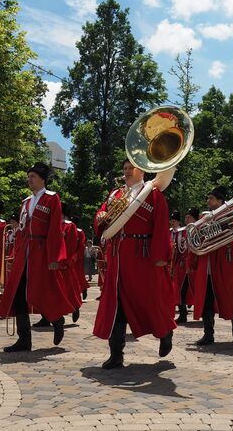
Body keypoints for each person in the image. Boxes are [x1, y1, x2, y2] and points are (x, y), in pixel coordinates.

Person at [93, 158, 175, 369]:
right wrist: (100, 217)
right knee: (115, 305)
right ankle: (116, 355)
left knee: (150, 301)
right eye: (125, 168)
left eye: (132, 168)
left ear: (143, 171)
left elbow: (160, 227)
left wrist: (160, 256)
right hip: (117, 257)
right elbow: (101, 220)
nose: (128, 172)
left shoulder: (153, 195)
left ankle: (165, 331)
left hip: (143, 257)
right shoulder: (115, 195)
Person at [0, 163, 74, 352]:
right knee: (18, 294)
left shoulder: (51, 198)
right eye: (28, 176)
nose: (29, 180)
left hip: (41, 251)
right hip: (25, 251)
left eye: (32, 176)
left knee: (42, 292)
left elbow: (55, 230)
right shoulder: (25, 202)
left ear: (42, 179)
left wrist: (55, 256)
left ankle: (56, 319)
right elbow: (22, 230)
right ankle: (24, 339)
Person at [190, 186, 233, 346]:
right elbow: (196, 237)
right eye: (208, 198)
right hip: (206, 261)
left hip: (223, 261)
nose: (208, 201)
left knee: (228, 293)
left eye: (211, 198)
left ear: (220, 201)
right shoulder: (204, 217)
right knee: (206, 299)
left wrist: (219, 229)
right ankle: (209, 334)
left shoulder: (232, 215)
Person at [60, 206, 84, 323]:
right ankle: (48, 317)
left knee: (69, 290)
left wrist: (67, 261)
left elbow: (71, 246)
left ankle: (75, 307)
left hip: (64, 263)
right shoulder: (51, 224)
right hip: (52, 263)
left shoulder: (70, 226)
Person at [170, 210, 193, 324]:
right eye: (171, 221)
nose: (172, 223)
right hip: (172, 264)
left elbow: (184, 247)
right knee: (174, 289)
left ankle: (183, 313)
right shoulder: (170, 232)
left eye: (174, 221)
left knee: (180, 289)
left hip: (181, 263)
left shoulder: (183, 232)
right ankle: (179, 312)